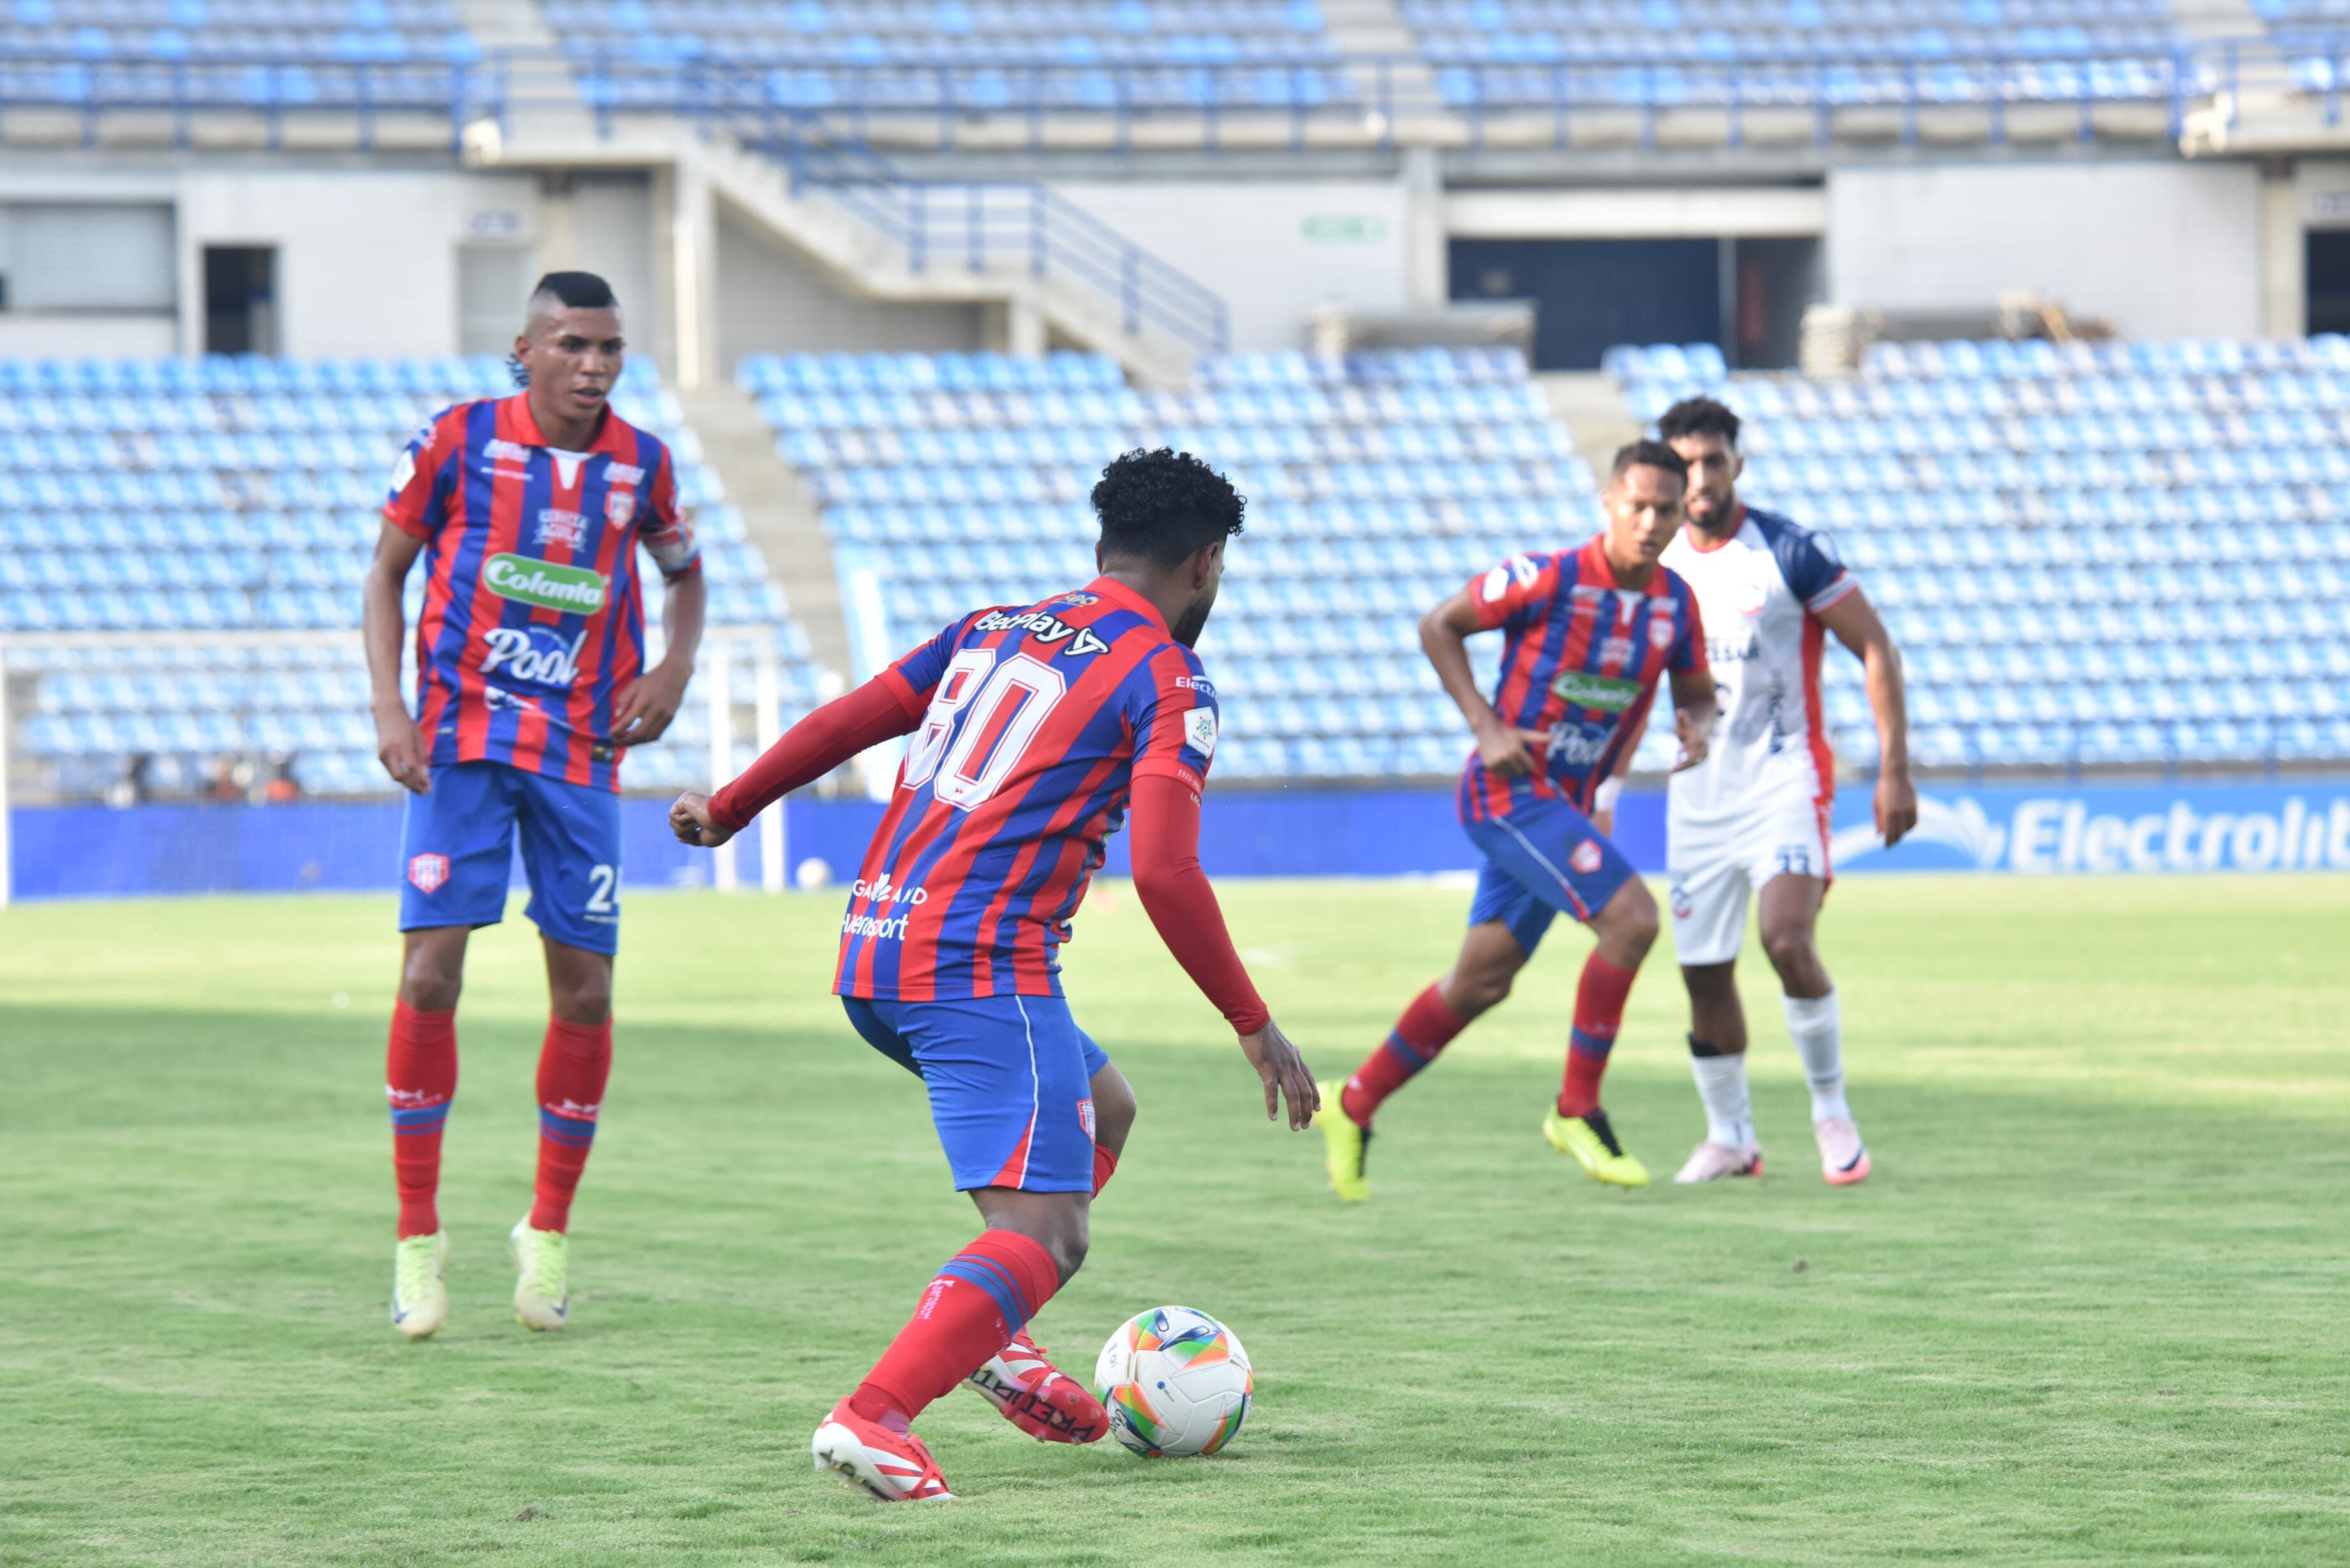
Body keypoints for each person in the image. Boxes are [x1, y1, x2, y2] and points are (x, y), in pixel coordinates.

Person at [670, 448, 1317, 1504]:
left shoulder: (993, 627)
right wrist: (1254, 1022)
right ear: (1206, 564)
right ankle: (875, 1413)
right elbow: (1163, 868)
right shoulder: (1167, 673)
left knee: (1109, 1107)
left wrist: (732, 805)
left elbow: (857, 716)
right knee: (1049, 1233)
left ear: (1102, 546)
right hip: (977, 962)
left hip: (874, 947)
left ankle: (993, 1334)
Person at [363, 271, 706, 1339]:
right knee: (429, 972)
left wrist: (676, 671)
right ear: (525, 350)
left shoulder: (641, 463)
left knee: (589, 995)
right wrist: (391, 707)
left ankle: (546, 1230)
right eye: (573, 344)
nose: (595, 364)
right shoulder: (457, 442)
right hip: (462, 739)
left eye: (609, 347)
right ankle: (418, 1241)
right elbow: (386, 576)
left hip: (580, 750)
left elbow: (686, 575)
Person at [1313, 441, 1719, 1202]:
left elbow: (1696, 692)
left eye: (1667, 510)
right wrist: (1485, 726)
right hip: (1509, 794)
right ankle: (1576, 1108)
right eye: (1638, 505)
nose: (1652, 521)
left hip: (1557, 812)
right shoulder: (1545, 577)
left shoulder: (1674, 603)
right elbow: (1439, 624)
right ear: (1608, 503)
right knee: (1631, 921)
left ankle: (1353, 1101)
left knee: (1479, 981)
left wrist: (1699, 723)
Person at [1649, 395, 1915, 1186]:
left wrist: (1894, 765)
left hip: (1783, 776)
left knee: (1786, 938)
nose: (1698, 478)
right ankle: (1730, 1136)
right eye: (1684, 463)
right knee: (1702, 971)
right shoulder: (1653, 563)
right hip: (1695, 797)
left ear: (1737, 461)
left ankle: (1831, 1113)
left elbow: (1873, 646)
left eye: (1711, 461)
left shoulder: (1788, 551)